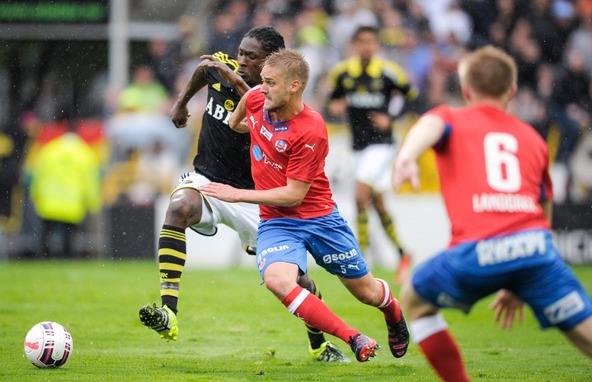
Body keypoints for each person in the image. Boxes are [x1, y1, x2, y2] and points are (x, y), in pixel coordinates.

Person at [138, 26, 349, 362]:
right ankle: (169, 311)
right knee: (178, 206)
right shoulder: (224, 68)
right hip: (208, 181)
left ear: (273, 64)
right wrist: (181, 104)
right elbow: (202, 70)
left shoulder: (278, 99)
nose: (241, 60)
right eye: (241, 53)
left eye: (252, 57)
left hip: (254, 199)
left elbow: (253, 98)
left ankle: (319, 343)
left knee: (294, 280)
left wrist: (232, 78)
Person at [391, 45, 592, 381]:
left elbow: (429, 125)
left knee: (414, 299)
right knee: (583, 333)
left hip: (479, 250)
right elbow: (544, 208)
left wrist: (407, 155)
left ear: (467, 90)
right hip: (536, 250)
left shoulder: (452, 117)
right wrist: (518, 280)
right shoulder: (532, 137)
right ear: (512, 91)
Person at [200, 49, 409, 363]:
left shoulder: (311, 128)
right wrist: (255, 128)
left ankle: (392, 311)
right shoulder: (257, 97)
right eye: (262, 81)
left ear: (294, 86)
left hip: (320, 219)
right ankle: (353, 337)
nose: (262, 87)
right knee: (276, 280)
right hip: (277, 222)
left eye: (270, 82)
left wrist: (238, 194)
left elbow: (293, 195)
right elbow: (236, 121)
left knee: (367, 293)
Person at [327, 25, 417, 284]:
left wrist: (392, 117)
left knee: (360, 196)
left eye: (371, 42)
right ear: (355, 45)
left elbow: (413, 96)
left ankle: (360, 259)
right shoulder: (343, 72)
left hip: (382, 145)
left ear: (376, 45)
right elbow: (333, 99)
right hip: (358, 146)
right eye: (362, 42)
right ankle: (403, 253)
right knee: (377, 204)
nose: (367, 46)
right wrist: (335, 105)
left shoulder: (389, 72)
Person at [28, 114, 102, 258]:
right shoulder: (85, 153)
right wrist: (93, 203)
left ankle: (44, 258)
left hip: (49, 201)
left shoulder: (50, 150)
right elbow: (91, 181)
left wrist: (35, 195)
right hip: (72, 203)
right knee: (69, 237)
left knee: (46, 235)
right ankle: (66, 258)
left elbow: (38, 174)